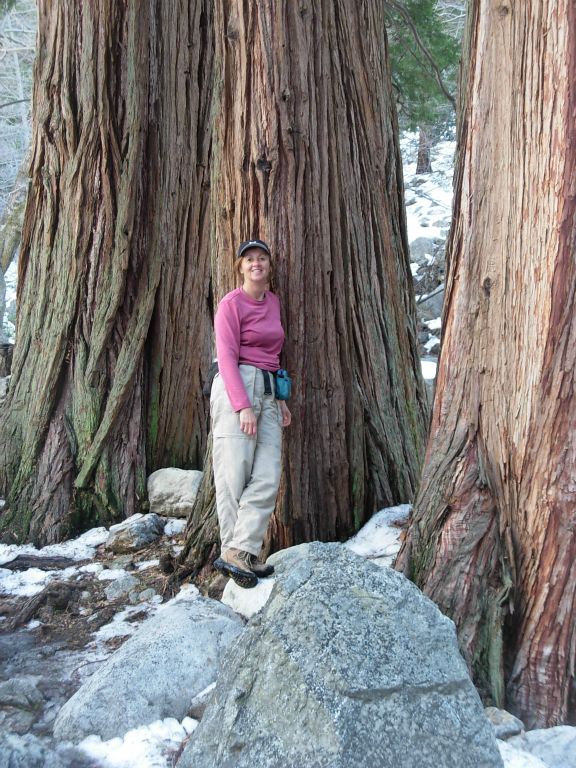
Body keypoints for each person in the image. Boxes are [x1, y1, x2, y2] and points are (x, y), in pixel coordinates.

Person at [211, 239, 291, 588]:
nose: (256, 264)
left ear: (269, 266)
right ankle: (236, 552)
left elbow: (274, 354)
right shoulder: (230, 304)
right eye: (249, 260)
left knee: (268, 473)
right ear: (240, 267)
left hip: (270, 390)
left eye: (261, 259)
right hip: (237, 386)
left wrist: (280, 398)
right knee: (234, 473)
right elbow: (226, 358)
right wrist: (243, 404)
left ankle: (239, 549)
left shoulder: (272, 302)